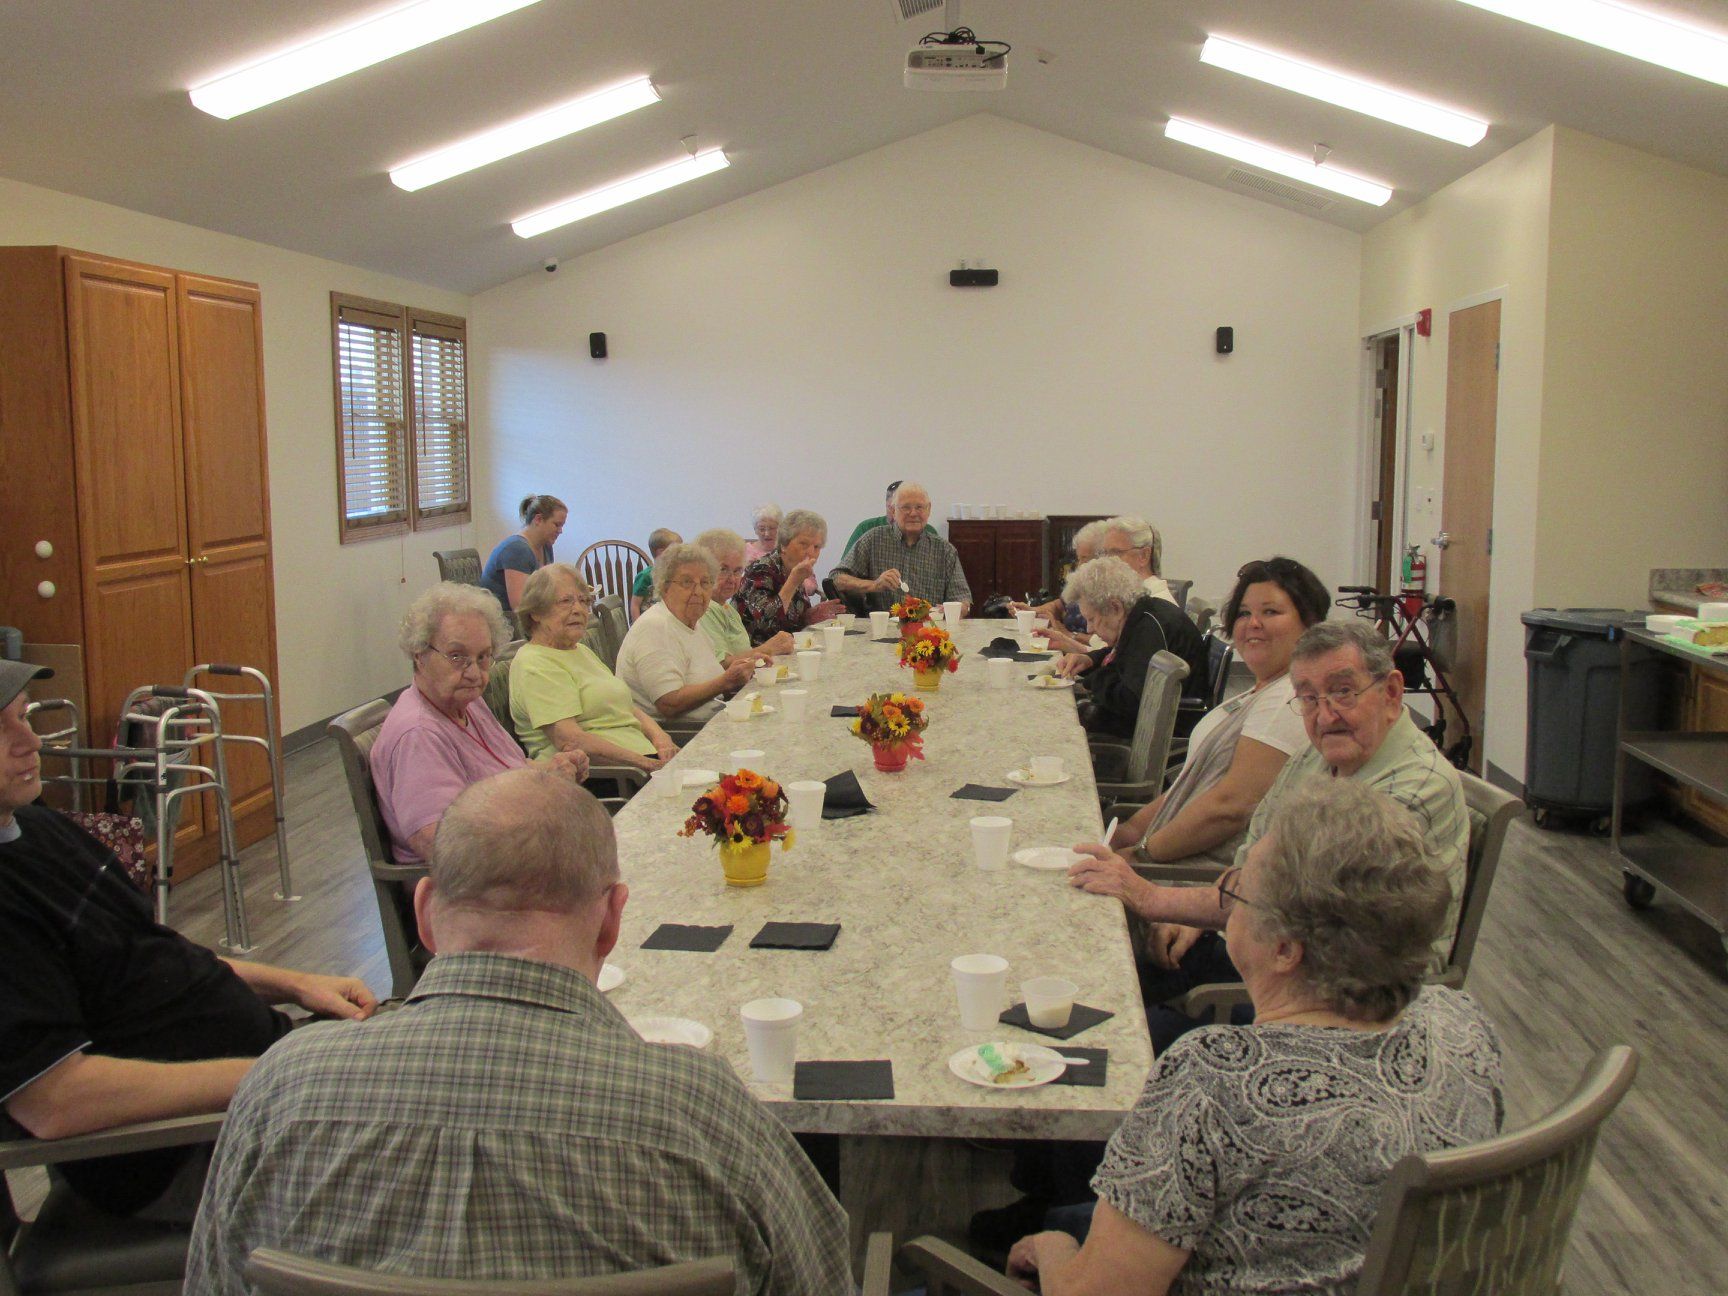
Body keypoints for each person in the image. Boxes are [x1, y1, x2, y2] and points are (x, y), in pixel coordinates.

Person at [185, 770, 852, 1293]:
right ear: (611, 922)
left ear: (425, 913)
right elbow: (819, 1278)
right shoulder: (701, 1112)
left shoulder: (281, 1090)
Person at [1008, 779, 1503, 1296]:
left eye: (1238, 889)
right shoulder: (1461, 1025)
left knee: (1051, 1232)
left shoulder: (1215, 1078)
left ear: (1285, 950)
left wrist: (1050, 1249)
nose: (1225, 898)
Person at [0, 661, 376, 1220]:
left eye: (25, 716)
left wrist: (295, 982)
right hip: (177, 1152)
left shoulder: (34, 828)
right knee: (425, 1163)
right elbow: (55, 1103)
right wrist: (275, 1077)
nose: (30, 739)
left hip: (250, 1091)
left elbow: (146, 953)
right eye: (1, 728)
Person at [1069, 618, 1469, 1052]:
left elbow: (1302, 917)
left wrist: (1156, 899)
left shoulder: (1410, 794)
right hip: (1265, 950)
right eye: (1309, 698)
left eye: (1343, 691)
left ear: (1391, 693)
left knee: (1108, 1040)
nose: (1326, 714)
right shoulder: (1315, 758)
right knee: (1087, 979)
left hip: (1334, 1011)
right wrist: (1206, 918)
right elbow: (1249, 863)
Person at [1108, 557, 1330, 868]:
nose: (1253, 623)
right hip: (1170, 857)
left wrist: (1140, 854)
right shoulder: (1262, 690)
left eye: (1271, 612)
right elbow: (1185, 789)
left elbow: (1229, 808)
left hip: (1195, 875)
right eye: (1244, 613)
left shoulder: (1287, 702)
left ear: (1309, 623)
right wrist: (1128, 832)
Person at [372, 583, 588, 866]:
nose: (474, 672)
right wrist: (538, 797)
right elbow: (443, 845)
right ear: (419, 654)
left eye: (483, 657)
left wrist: (552, 771)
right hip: (475, 890)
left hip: (518, 855)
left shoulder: (468, 703)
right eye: (457, 656)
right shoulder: (419, 734)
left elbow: (511, 768)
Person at [510, 564, 678, 772]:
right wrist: (648, 764)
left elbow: (624, 707)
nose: (579, 610)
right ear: (535, 612)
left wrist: (660, 737)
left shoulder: (579, 650)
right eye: (566, 601)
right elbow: (571, 741)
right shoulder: (535, 663)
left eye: (583, 601)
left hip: (642, 761)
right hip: (611, 776)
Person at [1053, 557, 1209, 739]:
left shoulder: (1150, 629)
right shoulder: (1144, 614)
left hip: (1163, 734)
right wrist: (1090, 660)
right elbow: (1127, 657)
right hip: (1156, 721)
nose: (1089, 629)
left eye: (1092, 619)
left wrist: (1093, 680)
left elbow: (1132, 700)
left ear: (1115, 607)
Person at [616, 543, 757, 720]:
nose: (698, 591)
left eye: (705, 582)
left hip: (713, 720)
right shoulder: (655, 627)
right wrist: (726, 681)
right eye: (687, 582)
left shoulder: (692, 624)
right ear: (664, 587)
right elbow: (669, 703)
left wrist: (746, 667)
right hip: (680, 735)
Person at [830, 481, 972, 614]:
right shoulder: (873, 539)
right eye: (906, 507)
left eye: (919, 507)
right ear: (892, 511)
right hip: (880, 632)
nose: (913, 513)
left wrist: (954, 610)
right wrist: (874, 585)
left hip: (929, 632)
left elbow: (962, 599)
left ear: (929, 510)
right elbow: (836, 579)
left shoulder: (945, 551)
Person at [733, 507, 845, 645]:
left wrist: (809, 616)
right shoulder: (760, 570)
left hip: (788, 649)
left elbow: (790, 623)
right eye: (803, 544)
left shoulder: (794, 570)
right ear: (784, 544)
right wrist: (793, 581)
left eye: (816, 547)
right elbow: (765, 625)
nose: (810, 552)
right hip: (757, 655)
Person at [693, 528, 793, 667]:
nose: (732, 579)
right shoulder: (705, 609)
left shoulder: (728, 609)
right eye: (723, 569)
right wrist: (769, 648)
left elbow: (741, 654)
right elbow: (720, 665)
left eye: (737, 571)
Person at [1014, 519, 1107, 643]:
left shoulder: (1110, 592)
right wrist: (1032, 611)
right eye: (1078, 559)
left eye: (1085, 559)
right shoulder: (1082, 582)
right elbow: (1060, 605)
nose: (1079, 565)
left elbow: (1107, 644)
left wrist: (1067, 634)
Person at [479, 493, 565, 612]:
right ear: (538, 519)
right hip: (503, 621)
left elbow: (546, 590)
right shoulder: (516, 549)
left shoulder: (546, 546)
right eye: (557, 525)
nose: (560, 531)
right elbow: (519, 607)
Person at [1099, 515, 1178, 606]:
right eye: (1105, 553)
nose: (1105, 561)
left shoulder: (1156, 607)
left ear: (1144, 556)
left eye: (1116, 552)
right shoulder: (1130, 600)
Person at [628, 526, 681, 621]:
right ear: (661, 553)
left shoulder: (674, 574)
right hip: (648, 621)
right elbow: (635, 605)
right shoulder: (645, 576)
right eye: (676, 551)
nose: (679, 555)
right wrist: (638, 625)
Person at [841, 478, 902, 558]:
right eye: (891, 508)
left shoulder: (922, 531)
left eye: (902, 509)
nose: (895, 515)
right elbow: (843, 568)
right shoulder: (866, 528)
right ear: (886, 504)